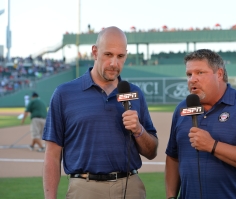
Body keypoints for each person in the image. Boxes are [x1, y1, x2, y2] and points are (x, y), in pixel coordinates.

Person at [42, 26, 158, 199]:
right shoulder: (64, 93)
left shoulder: (135, 93)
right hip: (84, 189)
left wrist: (138, 130)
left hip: (130, 187)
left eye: (120, 56)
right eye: (108, 55)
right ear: (95, 52)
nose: (114, 63)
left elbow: (152, 152)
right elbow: (52, 154)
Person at [165, 49, 236, 199]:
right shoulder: (182, 109)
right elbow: (173, 156)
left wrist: (212, 145)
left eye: (200, 73)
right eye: (189, 74)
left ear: (219, 74)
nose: (192, 79)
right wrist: (170, 196)